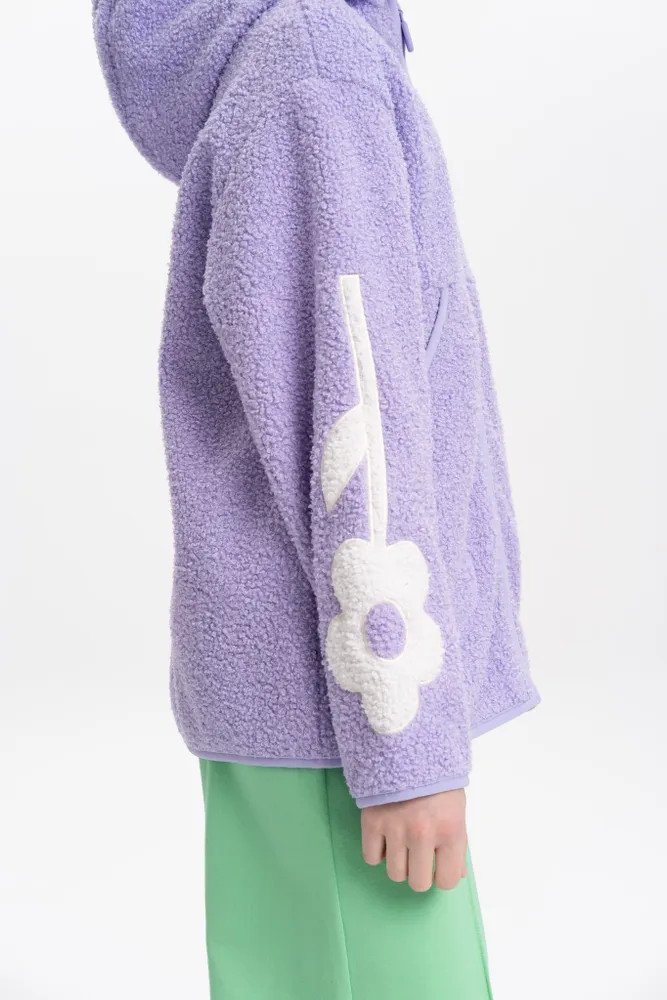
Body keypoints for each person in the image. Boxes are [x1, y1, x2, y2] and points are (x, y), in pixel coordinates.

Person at [93, 0, 540, 996]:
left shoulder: (292, 64)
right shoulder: (313, 69)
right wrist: (403, 744)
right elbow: (356, 411)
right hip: (352, 709)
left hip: (300, 708)